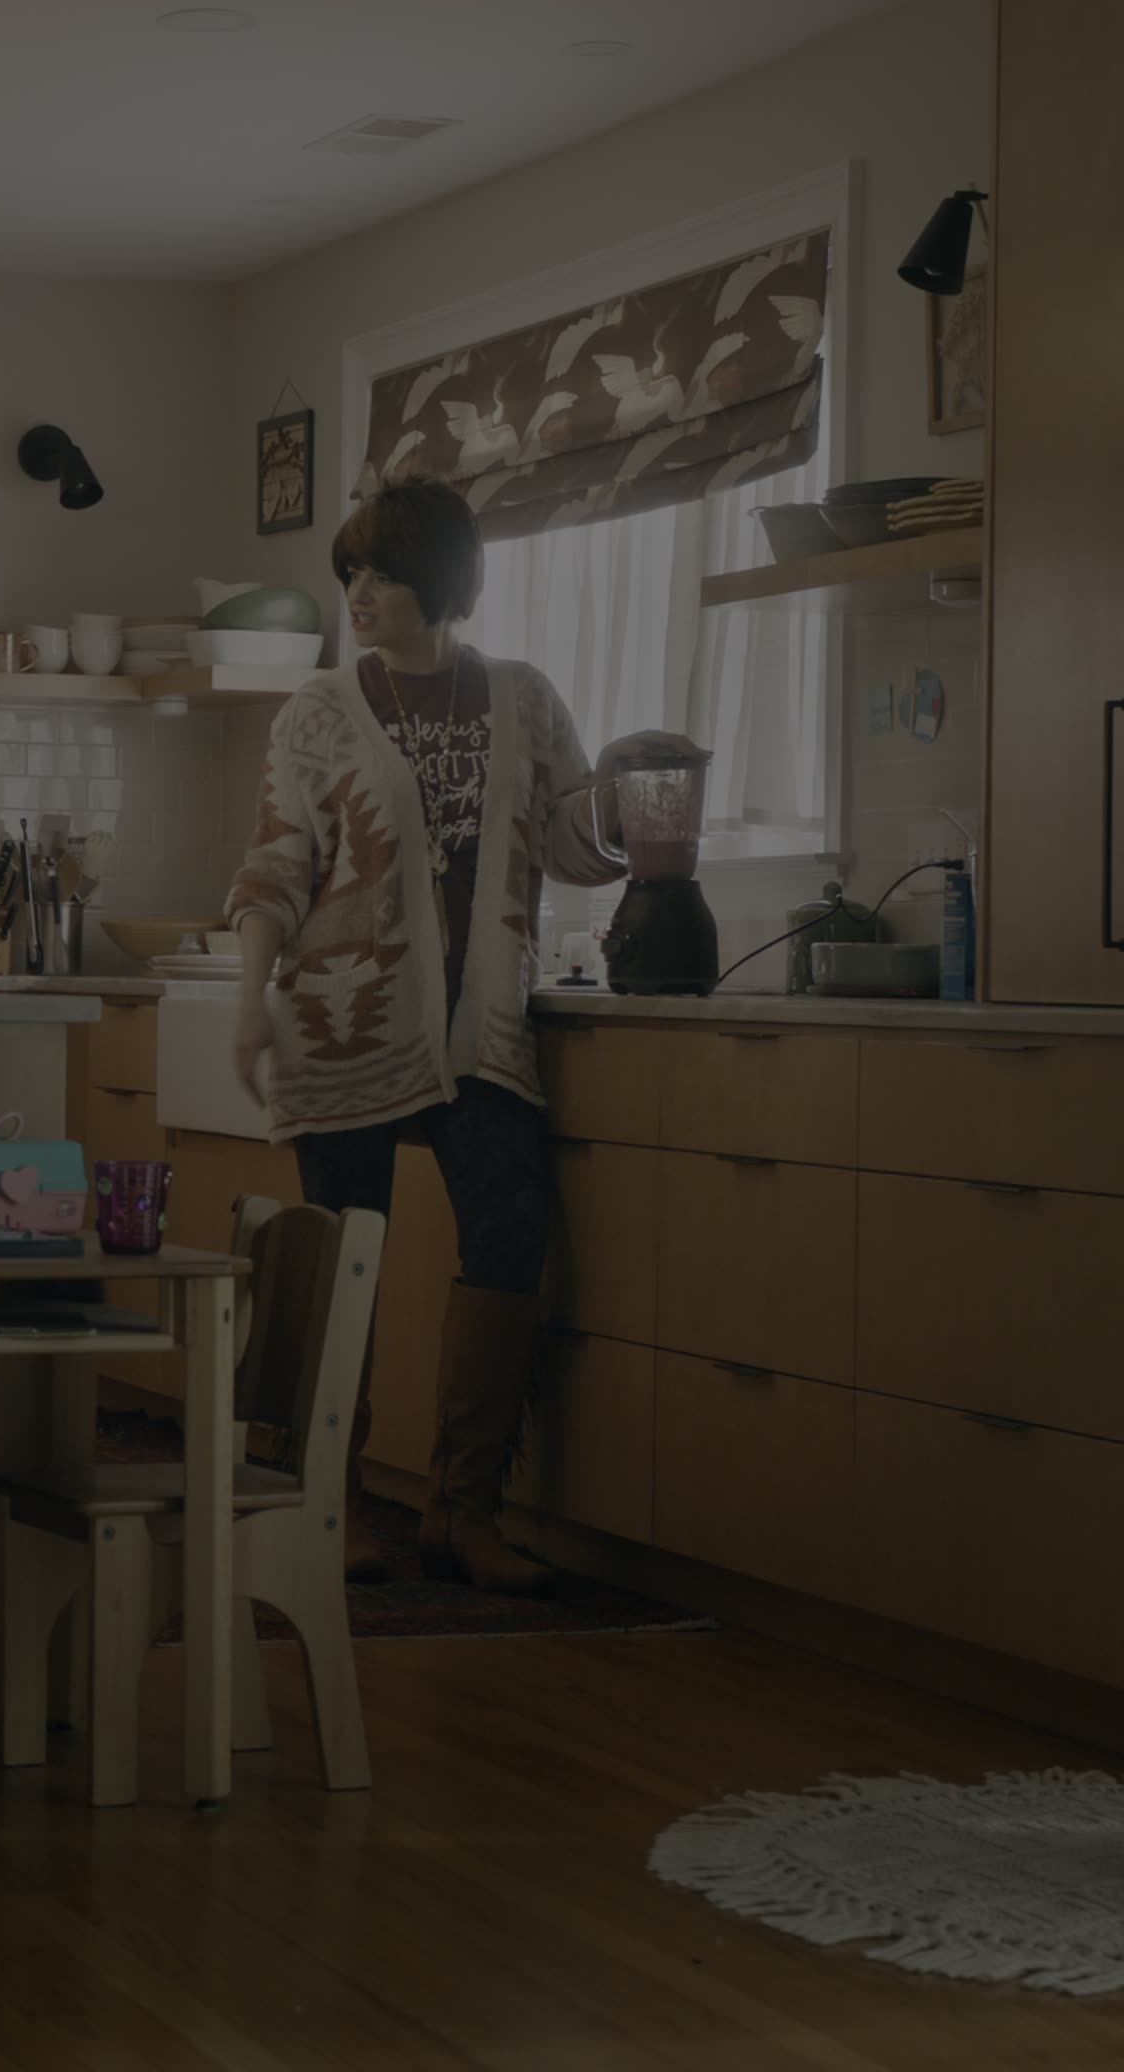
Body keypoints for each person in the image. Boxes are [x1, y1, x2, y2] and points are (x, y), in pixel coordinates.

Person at [226, 476, 698, 1591]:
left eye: (382, 574)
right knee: (339, 1256)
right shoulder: (318, 711)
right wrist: (250, 995)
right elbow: (278, 862)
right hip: (346, 1022)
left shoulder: (524, 699)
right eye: (350, 574)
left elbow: (574, 845)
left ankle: (462, 1510)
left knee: (510, 1232)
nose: (359, 595)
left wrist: (622, 781)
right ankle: (321, 1506)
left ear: (440, 581)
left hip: (480, 1029)